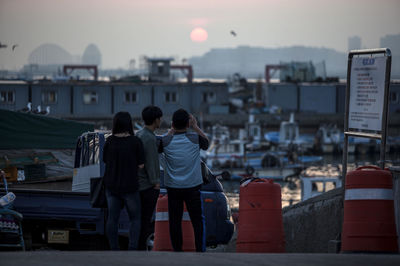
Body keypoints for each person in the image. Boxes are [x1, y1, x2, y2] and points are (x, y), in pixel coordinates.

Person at [158, 108, 209, 252]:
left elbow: (160, 146)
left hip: (173, 187)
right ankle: (200, 250)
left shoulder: (165, 141)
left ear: (173, 124)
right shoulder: (195, 138)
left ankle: (177, 251)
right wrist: (195, 126)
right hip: (193, 186)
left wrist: (171, 130)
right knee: (198, 220)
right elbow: (206, 143)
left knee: (175, 221)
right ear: (188, 124)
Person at [103, 111, 145, 250]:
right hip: (130, 187)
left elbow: (105, 160)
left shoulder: (109, 141)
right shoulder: (135, 142)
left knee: (112, 219)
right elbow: (141, 165)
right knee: (135, 219)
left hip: (112, 186)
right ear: (129, 124)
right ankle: (132, 249)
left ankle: (114, 249)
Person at [136, 105, 163, 250]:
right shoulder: (150, 138)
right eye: (160, 118)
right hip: (147, 186)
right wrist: (156, 183)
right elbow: (151, 163)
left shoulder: (139, 134)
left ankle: (136, 246)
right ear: (156, 120)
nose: (161, 121)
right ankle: (141, 249)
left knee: (138, 219)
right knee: (146, 220)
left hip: (137, 184)